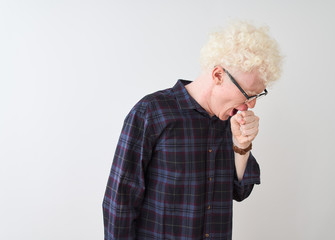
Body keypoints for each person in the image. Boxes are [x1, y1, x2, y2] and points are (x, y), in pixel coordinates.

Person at [102, 21, 282, 239]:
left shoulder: (231, 122)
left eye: (257, 95)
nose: (251, 104)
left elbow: (240, 191)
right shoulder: (151, 112)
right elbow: (120, 201)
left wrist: (241, 146)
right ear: (218, 75)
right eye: (248, 94)